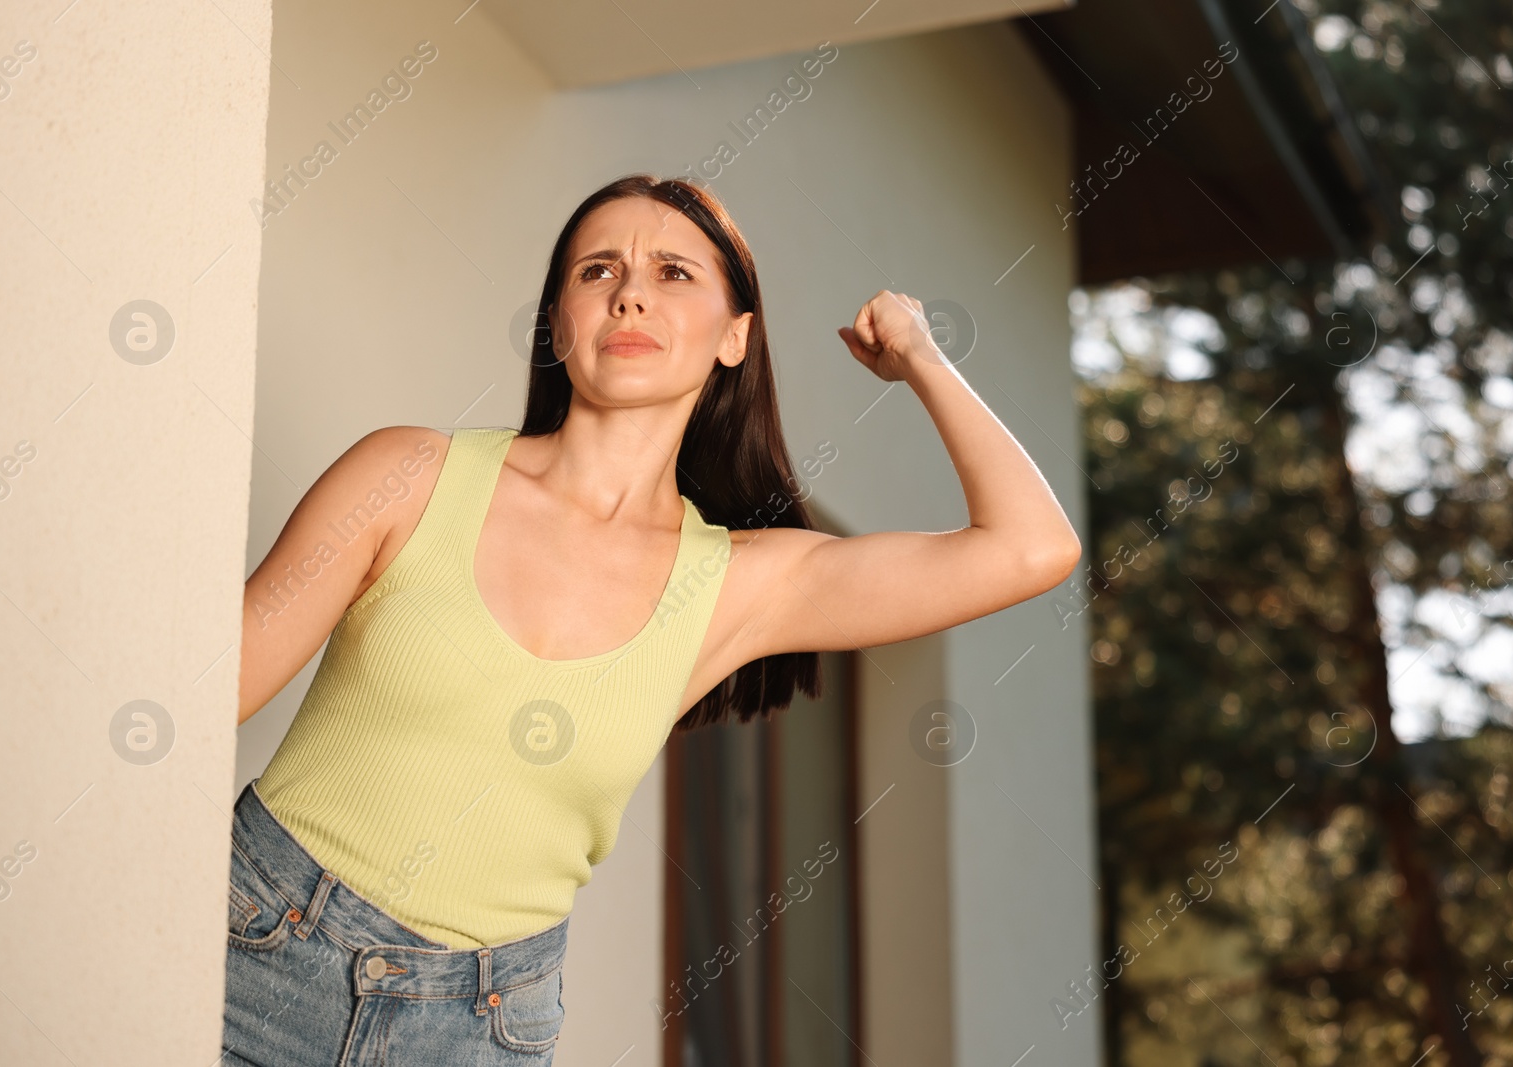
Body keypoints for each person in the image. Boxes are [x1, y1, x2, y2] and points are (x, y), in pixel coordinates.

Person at [222, 173, 1081, 1065]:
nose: (630, 289)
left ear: (735, 335)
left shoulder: (739, 584)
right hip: (251, 945)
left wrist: (921, 361)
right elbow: (212, 697)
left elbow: (1031, 548)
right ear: (558, 323)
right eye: (598, 271)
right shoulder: (405, 475)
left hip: (478, 1027)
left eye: (674, 272)